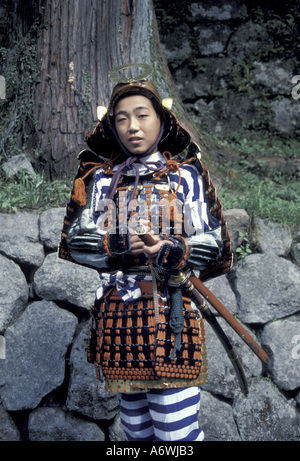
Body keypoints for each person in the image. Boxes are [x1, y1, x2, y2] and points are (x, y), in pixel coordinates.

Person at [58, 65, 232, 442]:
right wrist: (116, 245)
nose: (132, 127)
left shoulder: (184, 175)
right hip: (119, 316)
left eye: (142, 116)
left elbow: (214, 240)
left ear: (161, 120)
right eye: (122, 119)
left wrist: (172, 248)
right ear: (112, 126)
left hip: (172, 313)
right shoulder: (101, 179)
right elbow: (74, 240)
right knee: (136, 430)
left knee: (176, 431)